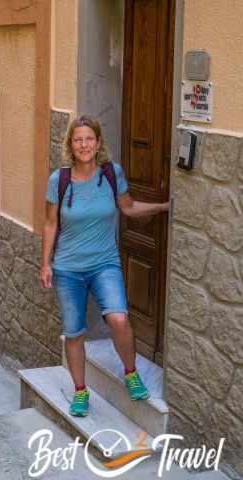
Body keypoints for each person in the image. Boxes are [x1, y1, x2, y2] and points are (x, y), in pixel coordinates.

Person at [40, 116, 169, 417]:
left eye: (89, 139)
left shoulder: (112, 174)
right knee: (74, 333)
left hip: (104, 264)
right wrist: (45, 264)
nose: (84, 145)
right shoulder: (58, 180)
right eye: (78, 140)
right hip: (68, 268)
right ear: (70, 145)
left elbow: (128, 207)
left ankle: (131, 372)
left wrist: (163, 207)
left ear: (98, 143)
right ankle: (80, 392)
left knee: (119, 319)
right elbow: (50, 223)